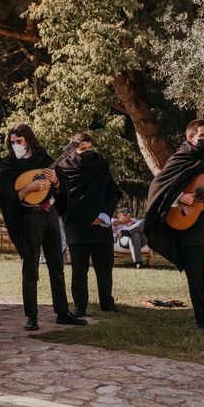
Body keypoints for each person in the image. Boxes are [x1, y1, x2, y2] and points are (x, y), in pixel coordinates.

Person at [0, 124, 86, 331]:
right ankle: (31, 316)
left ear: (28, 140)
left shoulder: (44, 159)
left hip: (50, 214)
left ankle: (62, 313)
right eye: (12, 142)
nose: (15, 145)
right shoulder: (9, 164)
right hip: (29, 217)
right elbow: (5, 196)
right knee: (31, 269)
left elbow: (63, 186)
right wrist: (28, 188)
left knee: (57, 266)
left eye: (18, 141)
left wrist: (56, 182)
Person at [145, 119, 204, 328]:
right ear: (190, 138)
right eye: (202, 136)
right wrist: (179, 196)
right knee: (196, 280)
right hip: (191, 231)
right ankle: (203, 321)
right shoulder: (181, 158)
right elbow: (159, 185)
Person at [59, 133, 122, 318]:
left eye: (90, 148)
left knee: (105, 267)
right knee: (79, 270)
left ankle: (107, 302)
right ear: (73, 149)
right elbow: (62, 198)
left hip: (101, 224)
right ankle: (80, 306)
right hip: (76, 224)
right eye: (82, 149)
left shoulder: (101, 164)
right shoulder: (63, 168)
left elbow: (113, 193)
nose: (87, 152)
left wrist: (104, 215)